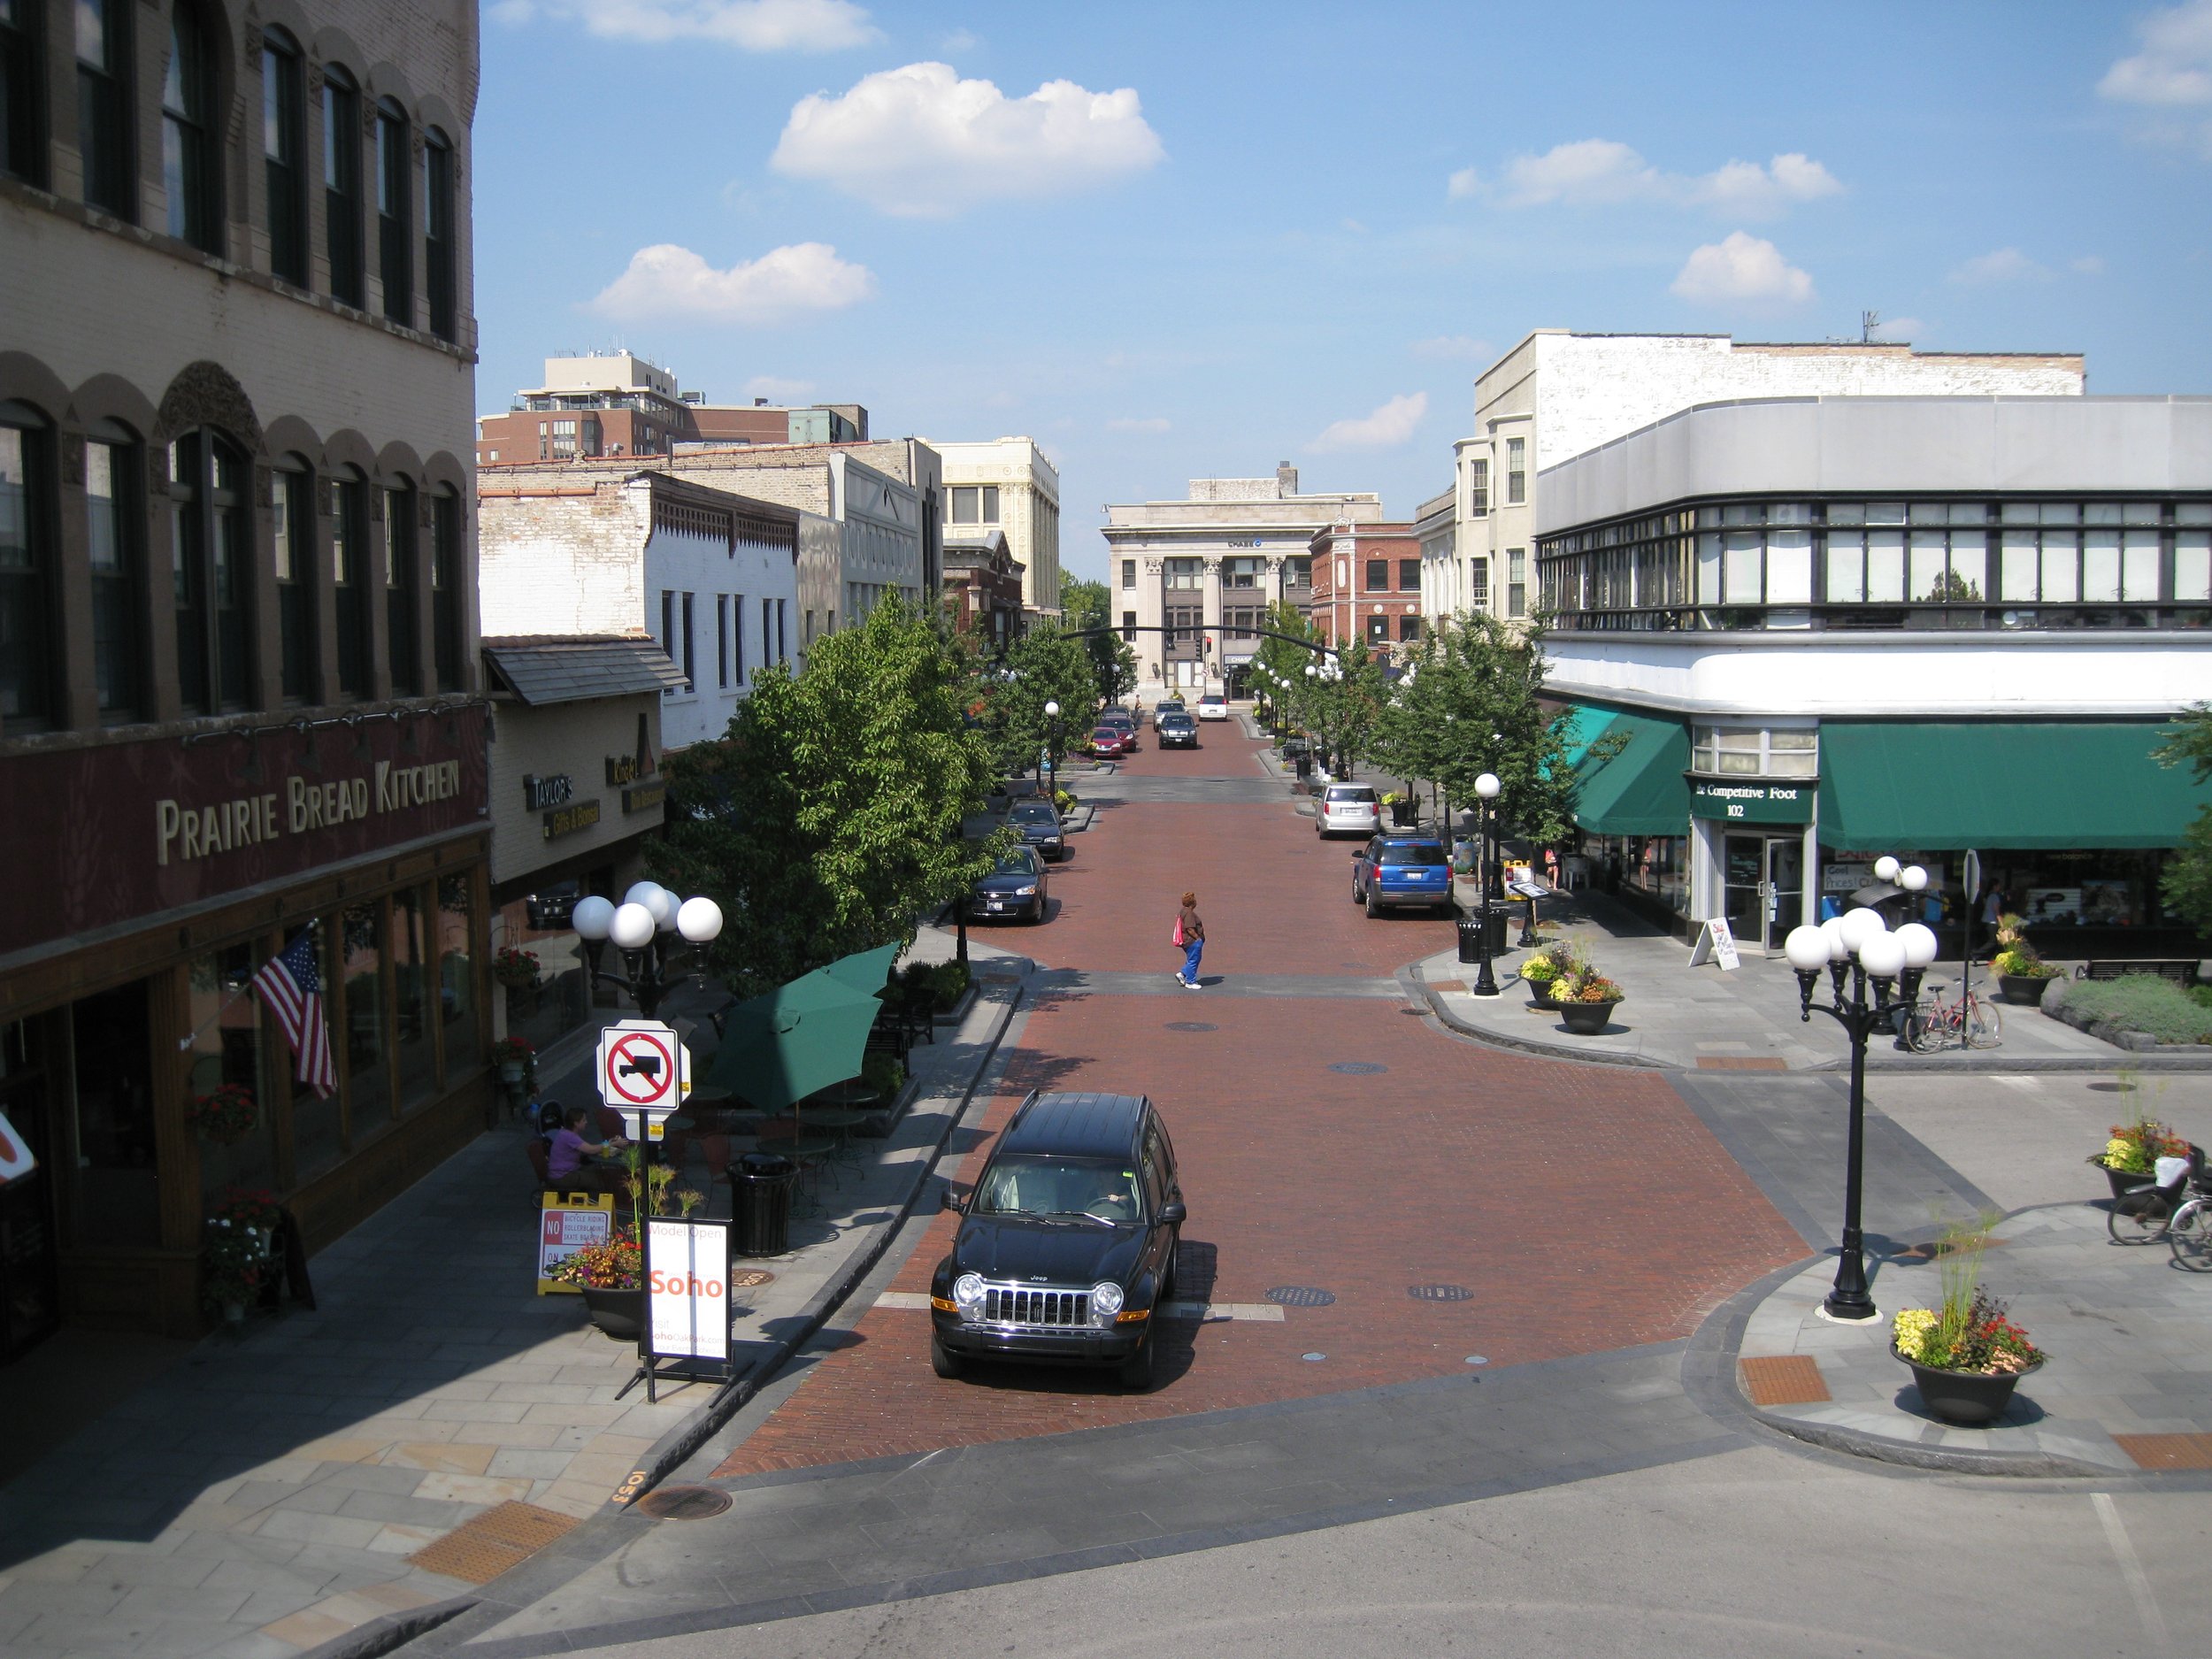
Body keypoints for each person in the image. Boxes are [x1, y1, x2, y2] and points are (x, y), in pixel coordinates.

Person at [547, 1104, 626, 1192]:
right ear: (576, 1123)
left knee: (598, 1170)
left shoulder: (566, 1133)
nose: (586, 1122)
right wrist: (614, 1144)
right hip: (562, 1176)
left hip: (570, 1169)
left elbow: (588, 1149)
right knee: (597, 1180)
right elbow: (591, 1150)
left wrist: (608, 1143)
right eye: (583, 1120)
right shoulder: (569, 1137)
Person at [1174, 889, 1206, 989]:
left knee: (1193, 959)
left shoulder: (1183, 911)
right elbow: (1190, 928)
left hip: (1187, 941)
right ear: (1193, 902)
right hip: (1192, 941)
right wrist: (1197, 938)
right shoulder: (1189, 913)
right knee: (1193, 960)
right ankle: (1190, 982)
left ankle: (1183, 974)